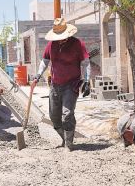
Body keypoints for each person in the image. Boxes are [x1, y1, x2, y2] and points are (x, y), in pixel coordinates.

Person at [31, 18, 91, 152]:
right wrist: (37, 75)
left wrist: (87, 81)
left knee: (67, 114)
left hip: (72, 84)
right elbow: (44, 61)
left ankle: (69, 144)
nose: (60, 39)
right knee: (54, 116)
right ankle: (64, 138)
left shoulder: (77, 44)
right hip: (55, 85)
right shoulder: (51, 45)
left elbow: (86, 63)